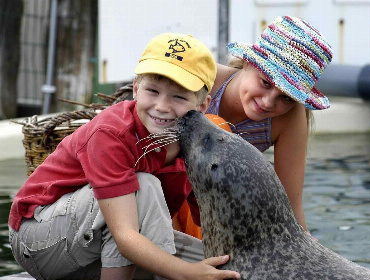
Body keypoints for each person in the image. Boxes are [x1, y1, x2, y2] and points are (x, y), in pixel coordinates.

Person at [8, 33, 240, 280]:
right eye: (153, 91)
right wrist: (186, 273)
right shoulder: (111, 134)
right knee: (145, 186)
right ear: (136, 89)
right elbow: (126, 236)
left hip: (94, 247)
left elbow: (211, 222)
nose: (162, 106)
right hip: (38, 239)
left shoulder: (196, 148)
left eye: (179, 96)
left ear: (202, 105)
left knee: (228, 268)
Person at [207, 15, 333, 232]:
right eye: (265, 82)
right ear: (248, 62)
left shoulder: (290, 117)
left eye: (287, 97)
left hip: (221, 209)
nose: (268, 102)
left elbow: (290, 206)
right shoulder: (206, 80)